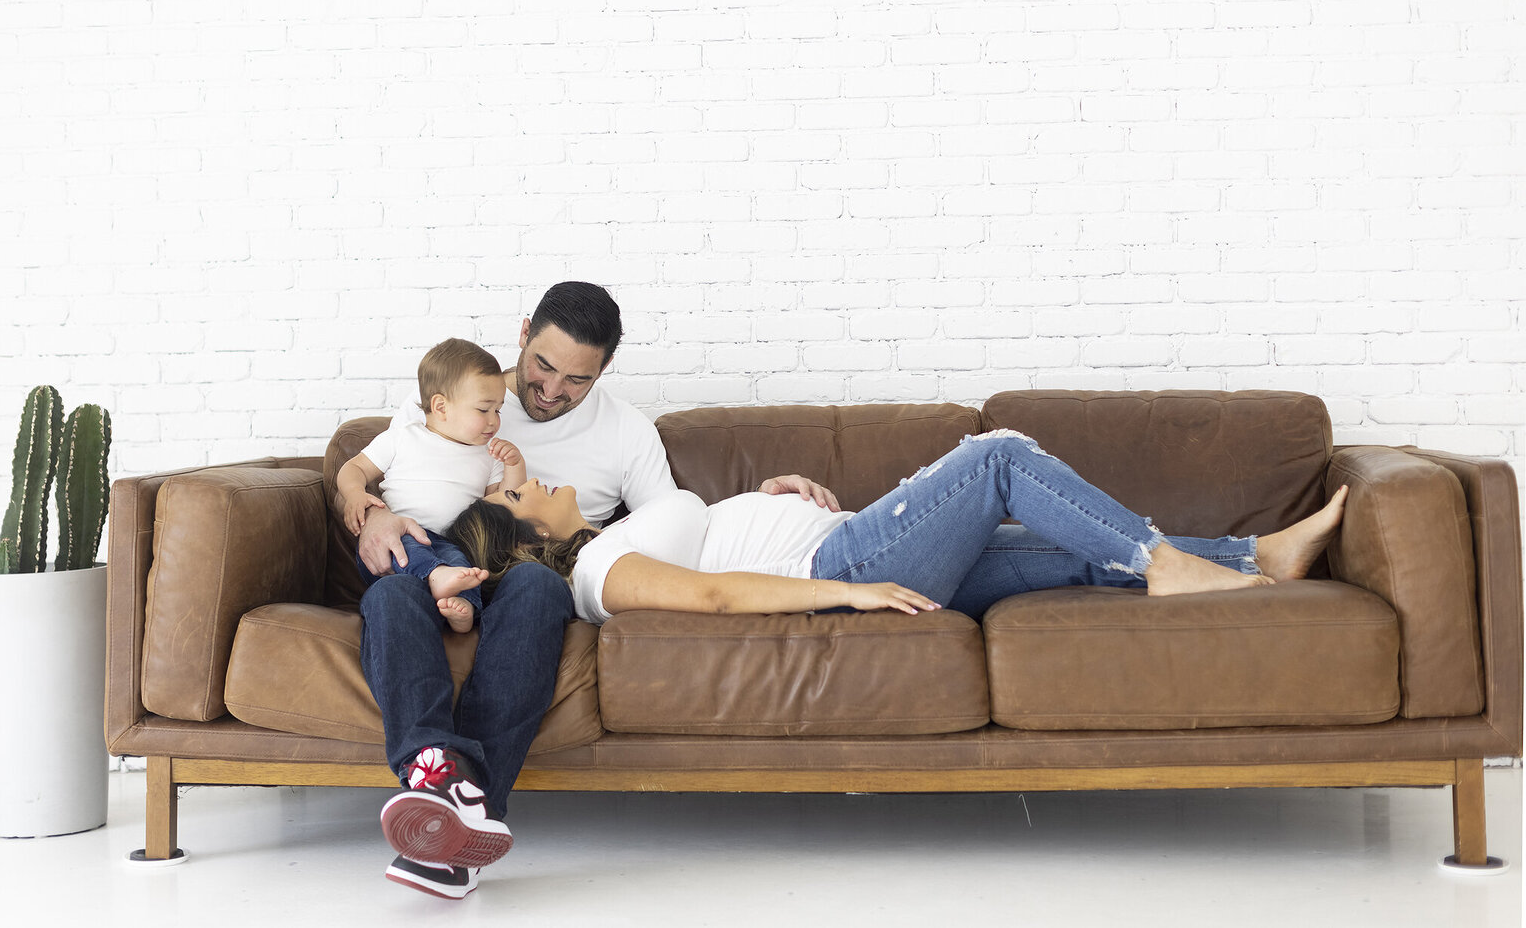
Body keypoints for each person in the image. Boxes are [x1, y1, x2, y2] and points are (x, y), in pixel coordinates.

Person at [353, 281, 838, 900]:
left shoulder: (625, 432)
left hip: (536, 574)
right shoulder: (460, 390)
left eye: (576, 380)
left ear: (604, 369)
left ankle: (455, 816)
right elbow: (384, 469)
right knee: (388, 597)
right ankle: (448, 792)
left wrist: (756, 501)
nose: (551, 390)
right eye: (543, 366)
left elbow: (679, 525)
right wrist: (368, 511)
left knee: (533, 585)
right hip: (439, 559)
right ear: (524, 334)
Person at [447, 428, 1350, 631]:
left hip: (833, 545)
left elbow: (715, 547)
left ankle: (1252, 555)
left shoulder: (620, 528)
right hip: (845, 563)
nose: (551, 482)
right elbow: (715, 594)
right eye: (529, 496)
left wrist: (767, 497)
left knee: (1061, 548)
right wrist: (848, 584)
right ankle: (1165, 564)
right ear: (530, 542)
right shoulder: (597, 570)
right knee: (999, 456)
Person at [337, 338, 525, 635]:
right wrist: (355, 494)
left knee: (466, 567)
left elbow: (503, 505)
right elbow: (354, 467)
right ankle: (436, 576)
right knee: (414, 549)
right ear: (440, 406)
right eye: (484, 410)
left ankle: (462, 611)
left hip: (450, 545)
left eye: (498, 411)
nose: (494, 421)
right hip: (396, 540)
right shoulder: (402, 437)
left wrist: (515, 466)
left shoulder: (488, 455)